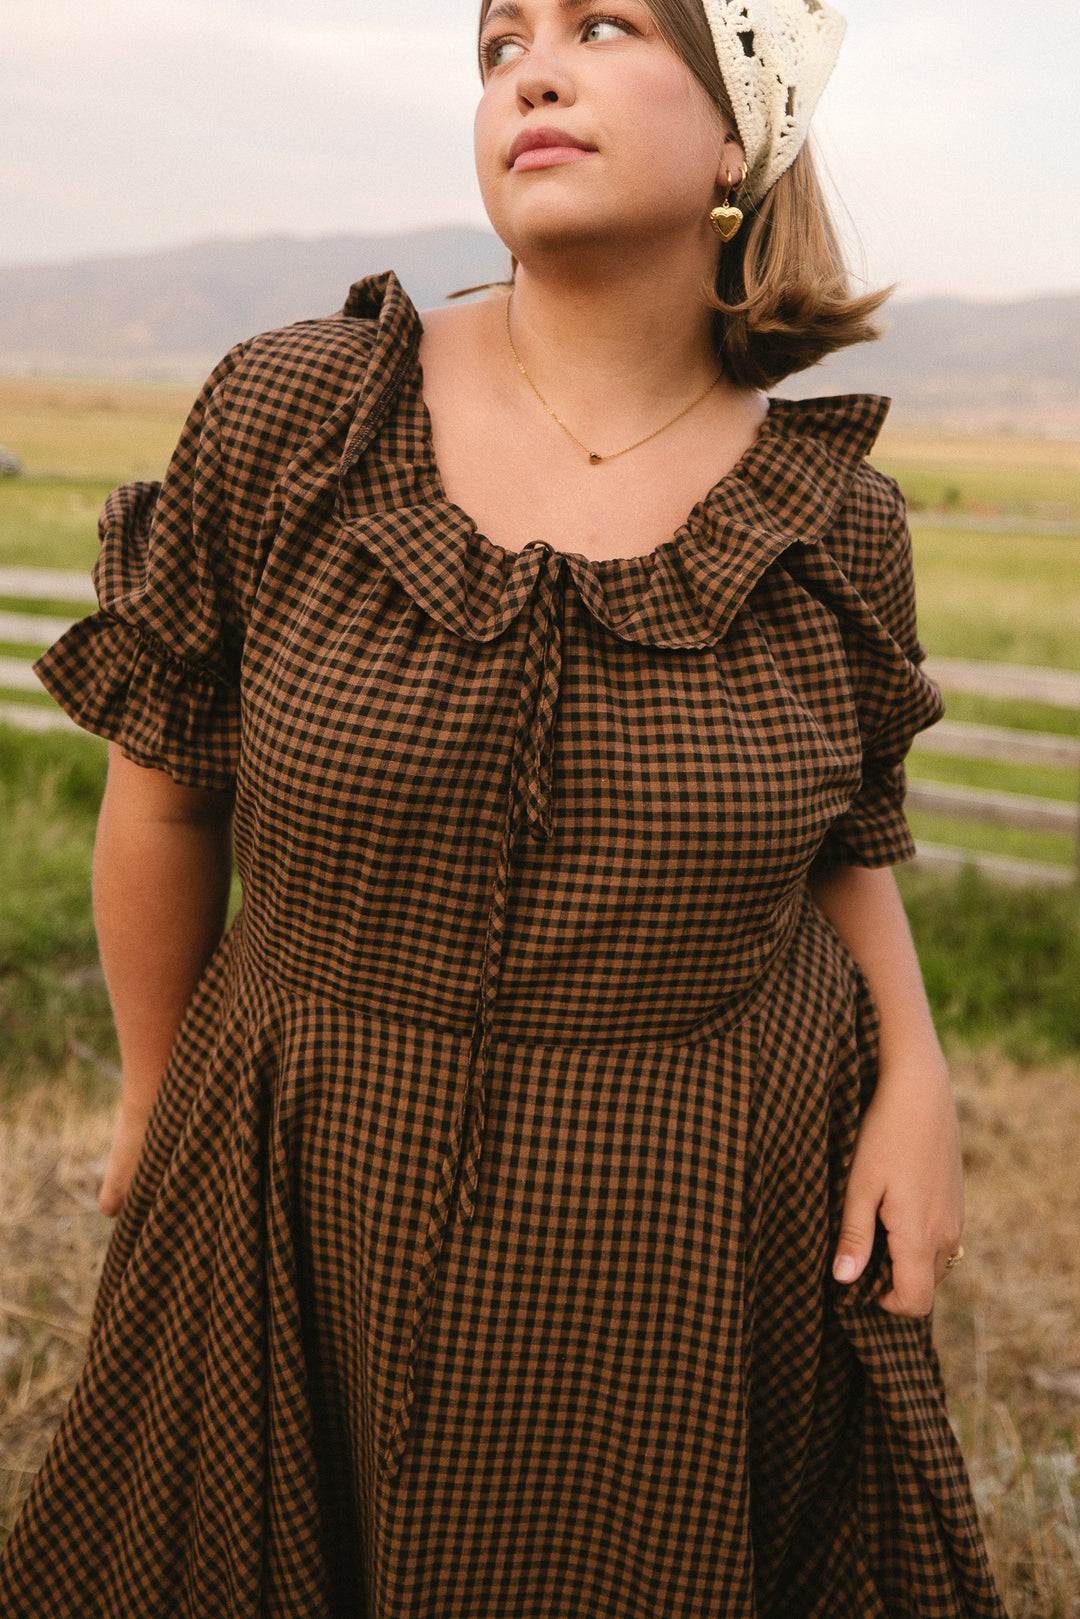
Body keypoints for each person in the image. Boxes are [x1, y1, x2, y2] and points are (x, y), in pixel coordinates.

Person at [0, 1, 1005, 1614]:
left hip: (688, 1202)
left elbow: (840, 835)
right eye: (497, 43)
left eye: (601, 25)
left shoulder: (834, 521)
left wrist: (921, 1073)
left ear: (744, 131)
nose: (527, 69)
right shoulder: (299, 415)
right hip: (304, 1159)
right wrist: (152, 1093)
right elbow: (168, 784)